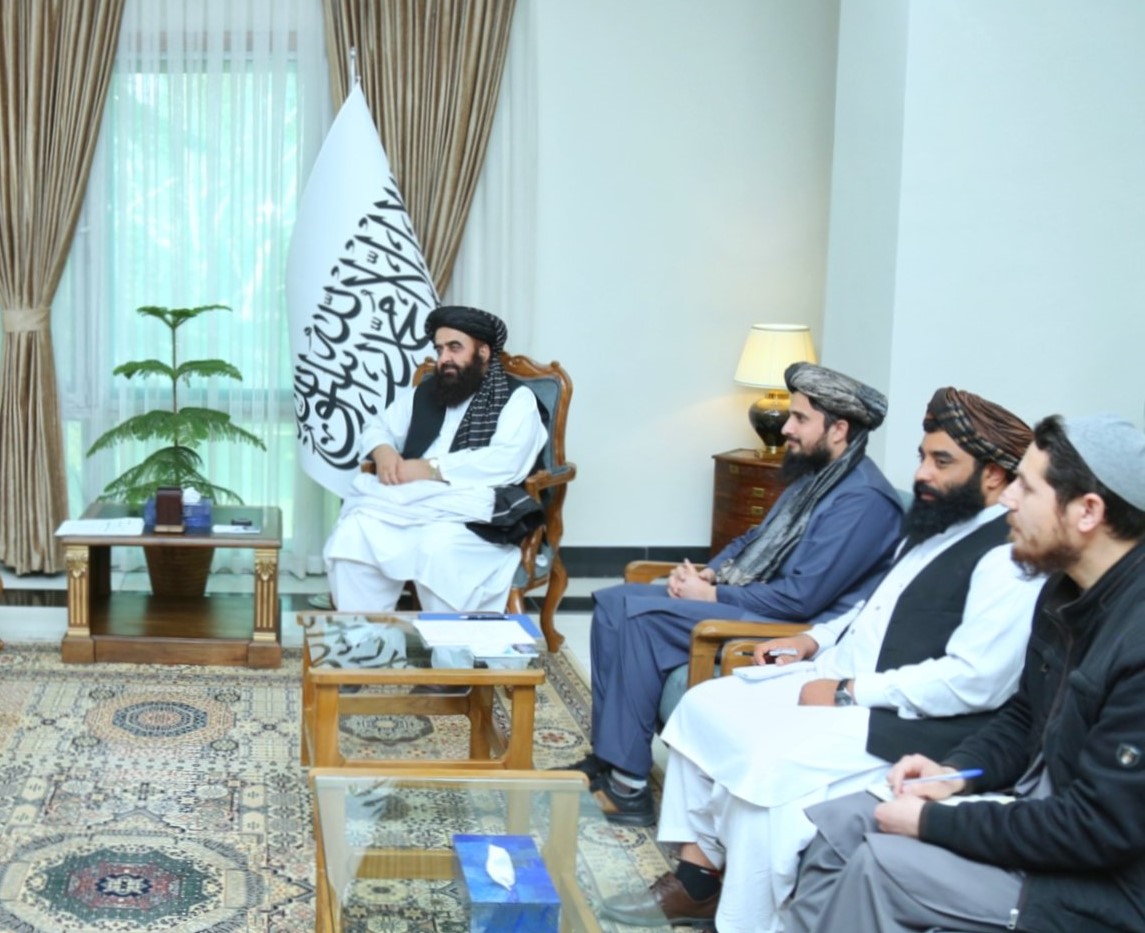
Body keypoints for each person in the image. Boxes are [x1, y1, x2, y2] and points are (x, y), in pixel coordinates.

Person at [601, 387, 1043, 932]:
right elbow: (872, 607)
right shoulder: (937, 524)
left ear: (994, 476)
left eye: (941, 461)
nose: (922, 474)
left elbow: (975, 682)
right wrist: (813, 640)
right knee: (705, 704)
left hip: (903, 720)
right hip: (837, 676)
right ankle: (698, 878)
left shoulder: (1007, 557)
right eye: (922, 457)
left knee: (766, 759)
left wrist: (847, 692)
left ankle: (748, 920)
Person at [784, 414, 1145, 933]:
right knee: (841, 826)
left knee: (884, 865)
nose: (1007, 499)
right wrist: (953, 773)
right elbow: (1024, 716)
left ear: (1088, 511)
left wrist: (934, 821)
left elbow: (1098, 827)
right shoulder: (1062, 591)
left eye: (1027, 487)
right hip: (1036, 818)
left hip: (1104, 885)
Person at [568, 363, 904, 828]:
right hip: (762, 600)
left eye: (800, 418)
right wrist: (710, 572)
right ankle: (609, 758)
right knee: (613, 602)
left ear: (839, 429)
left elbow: (802, 599)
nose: (786, 428)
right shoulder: (818, 476)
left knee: (638, 619)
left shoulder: (863, 500)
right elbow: (752, 539)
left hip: (794, 628)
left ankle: (629, 789)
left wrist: (712, 596)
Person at [323, 305, 547, 613]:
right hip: (410, 503)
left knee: (437, 548)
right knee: (353, 533)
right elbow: (377, 426)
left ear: (483, 352)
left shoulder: (516, 399)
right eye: (440, 349)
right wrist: (383, 451)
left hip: (471, 512)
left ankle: (447, 643)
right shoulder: (427, 392)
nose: (444, 359)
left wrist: (431, 469)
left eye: (454, 348)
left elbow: (508, 461)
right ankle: (366, 638)